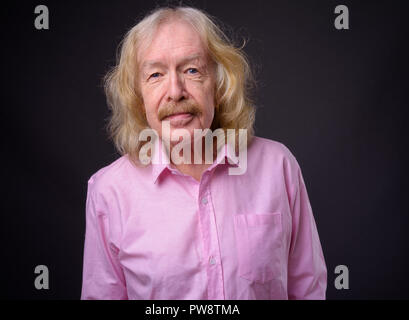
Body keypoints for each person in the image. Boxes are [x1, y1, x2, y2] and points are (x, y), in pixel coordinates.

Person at [81, 6, 327, 300]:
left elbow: (308, 290)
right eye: (156, 74)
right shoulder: (109, 191)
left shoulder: (278, 166)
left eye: (192, 70)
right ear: (138, 96)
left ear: (219, 84)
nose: (175, 91)